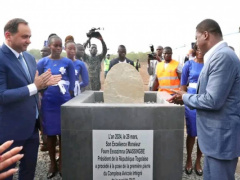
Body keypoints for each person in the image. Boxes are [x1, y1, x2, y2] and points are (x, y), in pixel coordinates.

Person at [168, 19, 240, 180]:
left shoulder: (223, 57)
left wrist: (185, 97)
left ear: (205, 35)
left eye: (197, 37)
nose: (196, 42)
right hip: (215, 142)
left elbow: (213, 100)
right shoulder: (218, 56)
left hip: (221, 141)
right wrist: (184, 98)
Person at [0, 18, 61, 180]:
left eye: (30, 36)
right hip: (9, 131)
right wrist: (35, 86)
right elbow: (2, 96)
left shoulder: (28, 58)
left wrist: (44, 84)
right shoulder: (1, 58)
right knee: (6, 174)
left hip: (32, 129)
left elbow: (34, 89)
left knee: (29, 172)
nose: (29, 41)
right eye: (24, 37)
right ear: (8, 36)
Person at [37, 35, 75, 178]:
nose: (58, 48)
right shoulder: (42, 62)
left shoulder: (68, 63)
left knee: (63, 135)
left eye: (60, 46)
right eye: (55, 46)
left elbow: (71, 85)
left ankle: (62, 163)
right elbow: (38, 83)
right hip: (48, 105)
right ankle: (52, 164)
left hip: (64, 104)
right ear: (50, 46)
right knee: (51, 135)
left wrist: (68, 100)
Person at [181, 44, 203, 176]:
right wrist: (184, 98)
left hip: (204, 100)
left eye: (202, 49)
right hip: (191, 101)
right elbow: (183, 86)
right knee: (191, 132)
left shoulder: (210, 64)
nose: (200, 52)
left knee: (202, 132)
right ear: (195, 50)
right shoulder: (188, 64)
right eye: (198, 49)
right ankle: (189, 159)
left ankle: (198, 161)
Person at [39, 45, 51, 152]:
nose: (43, 53)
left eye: (45, 51)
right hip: (40, 96)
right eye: (41, 51)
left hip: (50, 96)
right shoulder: (39, 64)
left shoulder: (51, 63)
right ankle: (44, 141)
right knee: (42, 120)